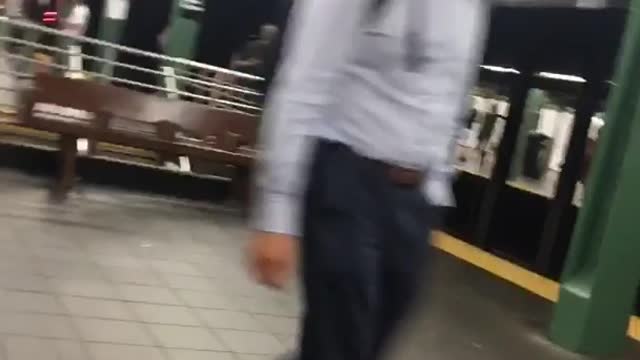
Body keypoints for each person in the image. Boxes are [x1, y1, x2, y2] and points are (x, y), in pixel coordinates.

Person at [248, 1, 489, 359]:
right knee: (342, 343)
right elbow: (303, 85)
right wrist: (278, 215)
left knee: (367, 343)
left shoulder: (469, 8)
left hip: (415, 199)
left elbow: (452, 96)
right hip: (344, 182)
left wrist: (436, 191)